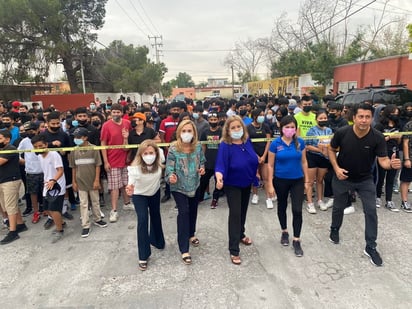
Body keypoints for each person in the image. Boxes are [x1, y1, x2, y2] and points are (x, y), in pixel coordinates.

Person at [328, 103, 401, 267]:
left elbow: (383, 161)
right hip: (343, 177)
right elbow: (331, 149)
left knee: (371, 211)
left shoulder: (377, 137)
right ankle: (334, 229)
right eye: (360, 116)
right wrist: (336, 168)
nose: (364, 120)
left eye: (367, 117)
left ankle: (370, 246)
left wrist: (391, 164)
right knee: (338, 208)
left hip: (365, 179)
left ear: (372, 118)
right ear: (354, 118)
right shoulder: (342, 133)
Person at [215, 115, 259, 265]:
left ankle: (241, 234)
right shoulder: (225, 145)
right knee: (235, 214)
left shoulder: (247, 142)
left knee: (243, 211)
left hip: (246, 182)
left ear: (242, 128)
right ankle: (234, 249)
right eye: (233, 127)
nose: (236, 130)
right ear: (227, 130)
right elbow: (220, 164)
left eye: (238, 127)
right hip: (232, 184)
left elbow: (252, 158)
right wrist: (219, 177)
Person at [266, 116, 308, 257]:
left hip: (297, 180)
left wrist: (307, 181)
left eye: (292, 127)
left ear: (296, 128)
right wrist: (270, 184)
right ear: (282, 128)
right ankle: (284, 231)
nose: (290, 130)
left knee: (297, 209)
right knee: (282, 206)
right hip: (280, 180)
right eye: (287, 127)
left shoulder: (300, 143)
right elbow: (270, 165)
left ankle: (296, 239)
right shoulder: (275, 144)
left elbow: (304, 162)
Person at [165, 120, 205, 265]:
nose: (187, 134)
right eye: (184, 131)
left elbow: (202, 161)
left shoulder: (198, 146)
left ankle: (191, 234)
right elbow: (169, 167)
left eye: (189, 131)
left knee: (193, 209)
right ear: (179, 132)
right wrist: (171, 176)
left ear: (194, 133)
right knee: (183, 212)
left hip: (195, 183)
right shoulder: (173, 148)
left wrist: (202, 168)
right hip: (179, 186)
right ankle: (184, 249)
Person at [126, 140, 165, 271]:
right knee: (143, 219)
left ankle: (157, 241)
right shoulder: (135, 168)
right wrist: (129, 188)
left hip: (154, 192)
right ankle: (143, 255)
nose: (149, 156)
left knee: (155, 215)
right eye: (145, 153)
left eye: (151, 153)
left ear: (156, 153)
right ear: (141, 155)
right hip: (139, 195)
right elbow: (130, 182)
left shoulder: (160, 158)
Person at [69, 128, 107, 238]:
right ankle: (85, 225)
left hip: (92, 180)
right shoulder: (73, 151)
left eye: (78, 137)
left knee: (95, 201)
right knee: (83, 203)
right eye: (75, 137)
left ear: (85, 138)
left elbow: (97, 166)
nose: (76, 139)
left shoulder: (94, 149)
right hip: (80, 181)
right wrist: (74, 181)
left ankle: (97, 219)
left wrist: (96, 180)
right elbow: (73, 168)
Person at [32, 134, 66, 243]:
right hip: (47, 185)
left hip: (57, 185)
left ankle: (60, 230)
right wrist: (46, 180)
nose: (38, 148)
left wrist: (53, 180)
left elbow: (60, 170)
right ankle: (61, 222)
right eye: (36, 147)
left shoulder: (54, 155)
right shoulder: (39, 156)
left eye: (40, 146)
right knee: (46, 209)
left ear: (46, 145)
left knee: (54, 209)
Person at [100, 103, 132, 223]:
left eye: (118, 112)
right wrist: (105, 161)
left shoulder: (127, 124)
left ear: (122, 113)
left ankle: (127, 203)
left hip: (125, 159)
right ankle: (114, 211)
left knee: (125, 184)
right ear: (110, 112)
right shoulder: (106, 126)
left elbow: (129, 142)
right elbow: (103, 144)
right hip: (112, 160)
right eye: (114, 112)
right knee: (114, 187)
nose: (116, 114)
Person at [0, 130, 28, 245]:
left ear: (7, 139)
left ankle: (13, 231)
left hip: (10, 181)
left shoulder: (10, 149)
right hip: (3, 181)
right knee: (8, 205)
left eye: (0, 138)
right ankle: (20, 224)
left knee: (10, 206)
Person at [374, 104, 402, 211]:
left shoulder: (398, 125)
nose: (395, 115)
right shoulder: (380, 125)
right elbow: (376, 140)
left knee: (391, 177)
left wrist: (398, 137)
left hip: (395, 152)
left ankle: (389, 200)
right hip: (382, 153)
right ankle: (377, 197)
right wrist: (389, 136)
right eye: (393, 113)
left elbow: (399, 141)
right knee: (380, 177)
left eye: (396, 114)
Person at [304, 110, 333, 213]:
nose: (323, 120)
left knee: (320, 180)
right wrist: (319, 150)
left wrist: (326, 150)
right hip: (312, 156)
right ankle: (310, 203)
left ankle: (320, 200)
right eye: (321, 118)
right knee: (311, 181)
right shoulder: (311, 130)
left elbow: (331, 144)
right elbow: (307, 145)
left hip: (324, 158)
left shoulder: (329, 131)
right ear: (316, 119)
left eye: (325, 118)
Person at [247, 108, 272, 208]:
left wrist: (264, 156)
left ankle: (268, 198)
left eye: (263, 114)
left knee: (266, 177)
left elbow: (268, 141)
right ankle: (255, 194)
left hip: (264, 155)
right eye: (260, 115)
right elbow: (247, 143)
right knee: (255, 177)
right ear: (254, 116)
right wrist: (256, 156)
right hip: (253, 155)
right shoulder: (248, 127)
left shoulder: (265, 126)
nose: (262, 116)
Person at [197, 112, 223, 209]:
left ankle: (215, 199)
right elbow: (203, 145)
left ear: (218, 120)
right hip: (208, 161)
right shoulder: (205, 131)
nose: (213, 122)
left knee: (218, 181)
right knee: (203, 181)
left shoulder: (222, 131)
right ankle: (199, 198)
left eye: (215, 120)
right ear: (208, 120)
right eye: (211, 120)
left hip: (219, 161)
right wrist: (202, 160)